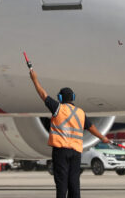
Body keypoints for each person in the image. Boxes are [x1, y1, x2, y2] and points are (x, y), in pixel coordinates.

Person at [29, 66, 110, 198]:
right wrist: (103, 138)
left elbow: (43, 95)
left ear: (60, 98)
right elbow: (91, 127)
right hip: (76, 152)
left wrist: (34, 79)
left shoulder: (58, 108)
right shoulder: (80, 112)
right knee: (74, 184)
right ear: (72, 97)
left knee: (62, 184)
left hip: (61, 151)